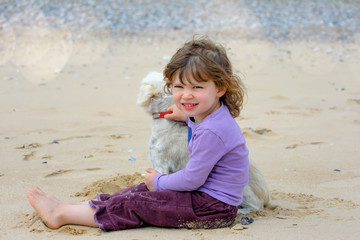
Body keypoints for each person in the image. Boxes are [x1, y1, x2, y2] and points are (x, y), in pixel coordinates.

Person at [26, 37, 249, 231]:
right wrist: (185, 116)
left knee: (137, 204)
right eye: (179, 87)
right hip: (202, 198)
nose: (186, 95)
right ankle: (71, 208)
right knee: (138, 190)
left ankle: (60, 215)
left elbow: (191, 179)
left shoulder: (213, 130)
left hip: (211, 208)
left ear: (220, 88)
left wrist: (160, 181)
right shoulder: (209, 114)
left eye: (197, 88)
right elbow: (202, 132)